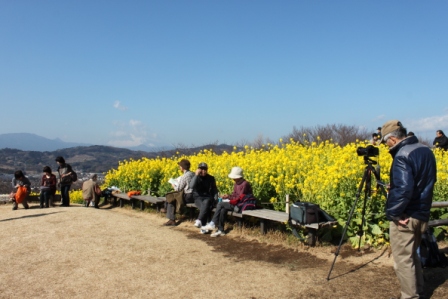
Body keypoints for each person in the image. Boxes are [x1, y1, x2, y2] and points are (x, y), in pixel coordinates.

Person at [381, 120, 437, 299]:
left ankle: (410, 296)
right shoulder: (425, 150)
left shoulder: (402, 155)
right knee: (413, 256)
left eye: (385, 142)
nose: (386, 147)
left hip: (407, 216)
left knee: (403, 261)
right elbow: (425, 181)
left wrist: (394, 214)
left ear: (392, 139)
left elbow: (404, 189)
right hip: (422, 212)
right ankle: (418, 290)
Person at [202, 166, 253, 237]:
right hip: (236, 203)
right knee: (223, 209)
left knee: (220, 204)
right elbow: (234, 195)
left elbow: (240, 198)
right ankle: (221, 230)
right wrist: (227, 196)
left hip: (241, 205)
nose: (233, 179)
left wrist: (230, 200)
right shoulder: (236, 183)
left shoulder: (245, 184)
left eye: (234, 177)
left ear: (238, 176)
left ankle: (213, 223)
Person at [161, 159, 195, 226]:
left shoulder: (184, 176)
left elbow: (178, 189)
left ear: (182, 167)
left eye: (180, 166)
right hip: (195, 196)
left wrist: (173, 185)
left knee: (171, 199)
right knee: (172, 197)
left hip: (188, 197)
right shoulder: (193, 174)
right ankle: (166, 209)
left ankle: (171, 219)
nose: (179, 168)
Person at [189, 162, 218, 233]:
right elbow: (191, 186)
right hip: (197, 197)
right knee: (205, 207)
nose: (203, 171)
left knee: (206, 203)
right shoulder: (196, 178)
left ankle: (199, 220)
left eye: (205, 169)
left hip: (208, 198)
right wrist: (196, 175)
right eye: (201, 169)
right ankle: (204, 226)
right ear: (198, 169)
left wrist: (216, 199)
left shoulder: (211, 178)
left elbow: (215, 190)